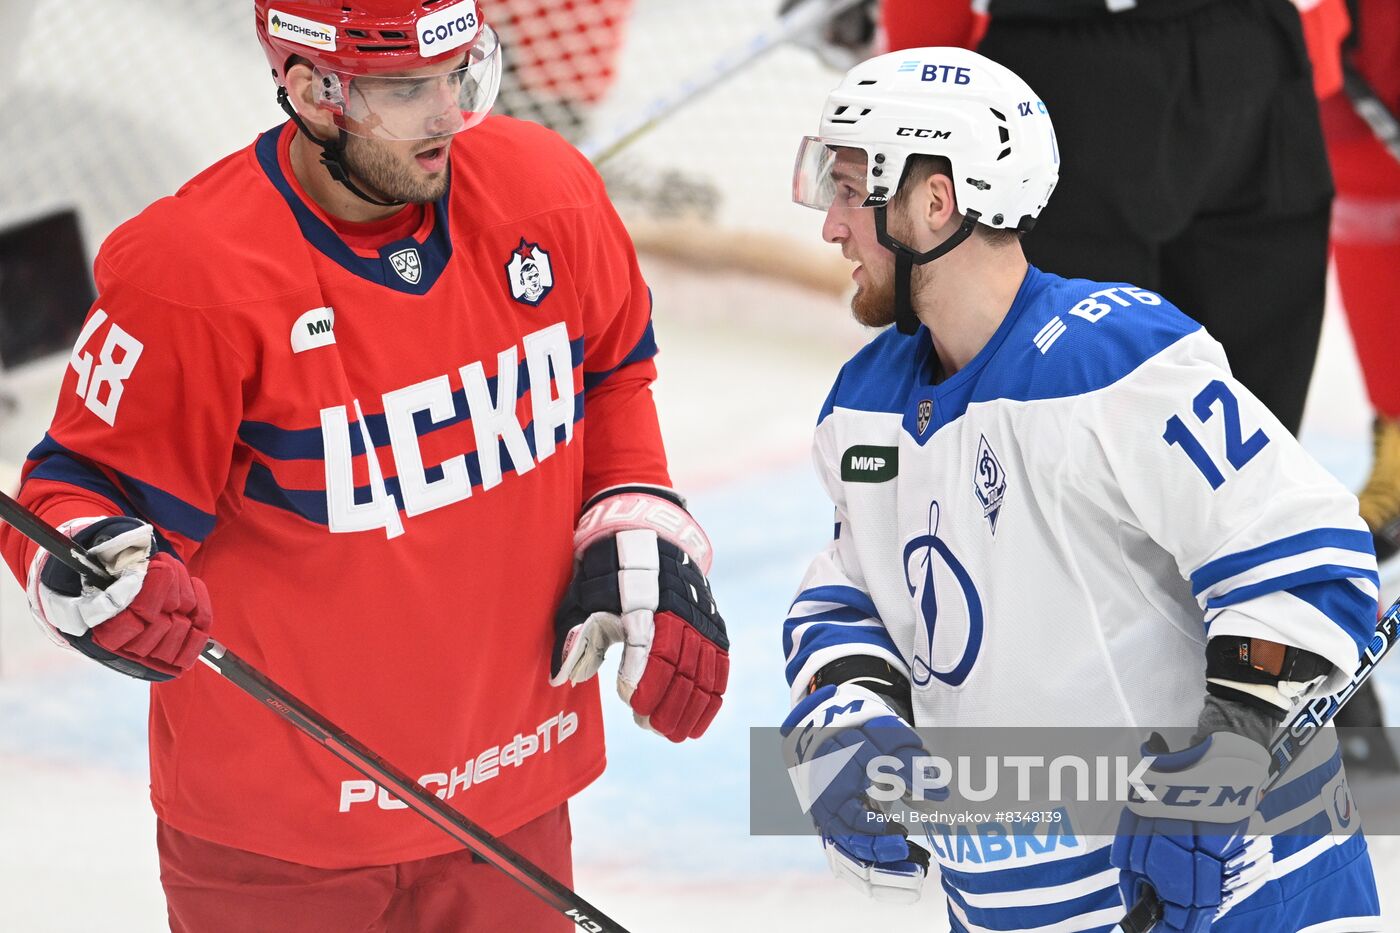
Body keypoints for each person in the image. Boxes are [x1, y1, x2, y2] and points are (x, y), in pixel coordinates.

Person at [0, 2, 729, 930]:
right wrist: (90, 563)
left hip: (510, 808)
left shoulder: (546, 190)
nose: (446, 114)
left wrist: (636, 513)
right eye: (404, 89)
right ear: (310, 91)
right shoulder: (191, 275)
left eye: (460, 73)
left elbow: (616, 374)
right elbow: (71, 493)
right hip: (279, 846)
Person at [781, 47, 1381, 931]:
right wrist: (846, 716)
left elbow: (1305, 555)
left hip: (1241, 894)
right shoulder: (862, 408)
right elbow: (850, 593)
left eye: (847, 190)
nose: (831, 225)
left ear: (934, 201)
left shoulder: (1119, 362)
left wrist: (1224, 754)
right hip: (1018, 907)